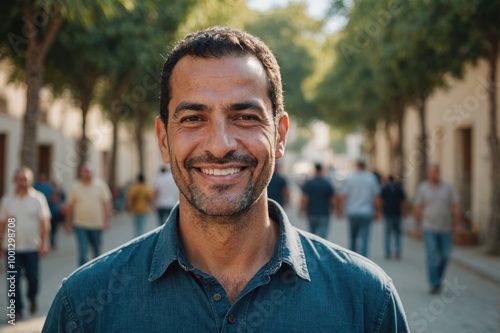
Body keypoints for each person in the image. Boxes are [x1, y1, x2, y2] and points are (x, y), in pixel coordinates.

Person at [43, 26, 408, 332]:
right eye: (192, 119)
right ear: (163, 140)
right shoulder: (83, 307)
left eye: (246, 117)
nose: (219, 146)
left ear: (280, 135)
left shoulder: (367, 303)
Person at [0, 167, 51, 320]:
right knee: (12, 280)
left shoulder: (38, 198)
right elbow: (2, 223)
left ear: (30, 181)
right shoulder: (7, 200)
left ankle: (32, 297)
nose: (22, 182)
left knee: (33, 278)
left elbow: (44, 222)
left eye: (25, 179)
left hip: (31, 247)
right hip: (11, 247)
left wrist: (45, 241)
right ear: (14, 181)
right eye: (20, 179)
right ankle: (17, 310)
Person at [414, 164, 459, 294]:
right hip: (429, 227)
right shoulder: (423, 188)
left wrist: (456, 223)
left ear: (439, 173)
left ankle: (438, 278)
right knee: (432, 256)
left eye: (436, 172)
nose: (434, 175)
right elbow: (418, 207)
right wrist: (417, 226)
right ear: (429, 174)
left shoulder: (448, 188)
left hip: (445, 228)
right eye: (432, 172)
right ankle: (434, 284)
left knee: (445, 256)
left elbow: (454, 205)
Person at [64, 163, 112, 266]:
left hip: (96, 225)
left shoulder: (100, 185)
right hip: (80, 225)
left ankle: (96, 273)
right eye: (85, 171)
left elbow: (106, 204)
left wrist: (106, 221)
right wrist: (67, 222)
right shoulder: (75, 187)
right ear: (81, 173)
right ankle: (81, 276)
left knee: (96, 250)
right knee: (82, 250)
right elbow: (70, 206)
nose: (88, 174)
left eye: (89, 171)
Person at [338, 159, 381, 257]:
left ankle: (353, 258)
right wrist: (378, 211)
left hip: (352, 212)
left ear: (356, 166)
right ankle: (364, 259)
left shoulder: (350, 178)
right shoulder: (371, 178)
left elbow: (343, 196)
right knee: (365, 237)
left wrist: (340, 210)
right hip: (366, 212)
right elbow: (377, 197)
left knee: (353, 237)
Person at [299, 163, 335, 239]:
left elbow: (304, 198)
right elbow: (332, 199)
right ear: (321, 170)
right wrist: (335, 209)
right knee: (323, 236)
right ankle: (321, 250)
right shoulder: (326, 183)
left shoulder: (309, 183)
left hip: (312, 212)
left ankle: (312, 250)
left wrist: (301, 209)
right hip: (324, 212)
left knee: (312, 236)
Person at [380, 175, 407, 259]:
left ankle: (388, 252)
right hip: (397, 213)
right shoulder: (399, 188)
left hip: (388, 213)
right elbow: (403, 202)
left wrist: (380, 211)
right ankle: (397, 251)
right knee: (397, 233)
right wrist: (405, 212)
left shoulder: (385, 188)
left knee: (388, 233)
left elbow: (381, 200)